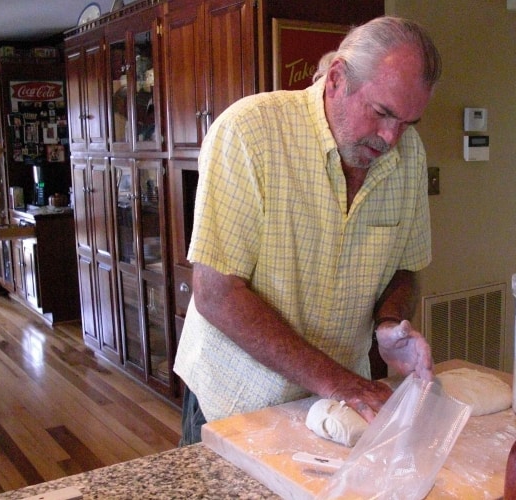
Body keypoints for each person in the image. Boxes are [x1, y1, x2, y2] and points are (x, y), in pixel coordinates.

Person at [174, 15, 442, 446]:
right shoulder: (249, 132)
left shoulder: (408, 157)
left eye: (408, 123)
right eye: (382, 113)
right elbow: (216, 292)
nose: (392, 137)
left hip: (336, 405)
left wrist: (389, 324)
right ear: (337, 79)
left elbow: (405, 268)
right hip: (237, 401)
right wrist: (339, 382)